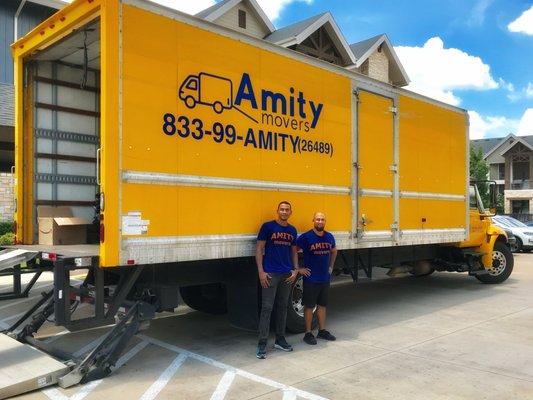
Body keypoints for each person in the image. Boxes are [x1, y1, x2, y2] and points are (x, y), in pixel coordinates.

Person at [255, 201, 299, 359]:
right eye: (282, 209)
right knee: (267, 308)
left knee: (282, 307)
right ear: (277, 211)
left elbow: (294, 251)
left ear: (290, 212)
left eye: (287, 209)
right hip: (270, 274)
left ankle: (280, 339)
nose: (284, 212)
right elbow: (259, 249)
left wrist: (295, 270)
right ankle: (262, 344)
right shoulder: (268, 227)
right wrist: (261, 271)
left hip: (286, 274)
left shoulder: (293, 230)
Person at [296, 212, 338, 345]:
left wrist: (331, 266)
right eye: (318, 219)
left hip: (324, 278)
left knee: (322, 305)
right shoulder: (306, 237)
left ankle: (322, 331)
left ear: (325, 221)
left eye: (322, 219)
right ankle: (308, 333)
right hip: (311, 279)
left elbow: (334, 250)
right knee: (309, 306)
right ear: (313, 220)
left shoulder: (329, 236)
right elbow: (293, 249)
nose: (320, 221)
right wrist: (298, 268)